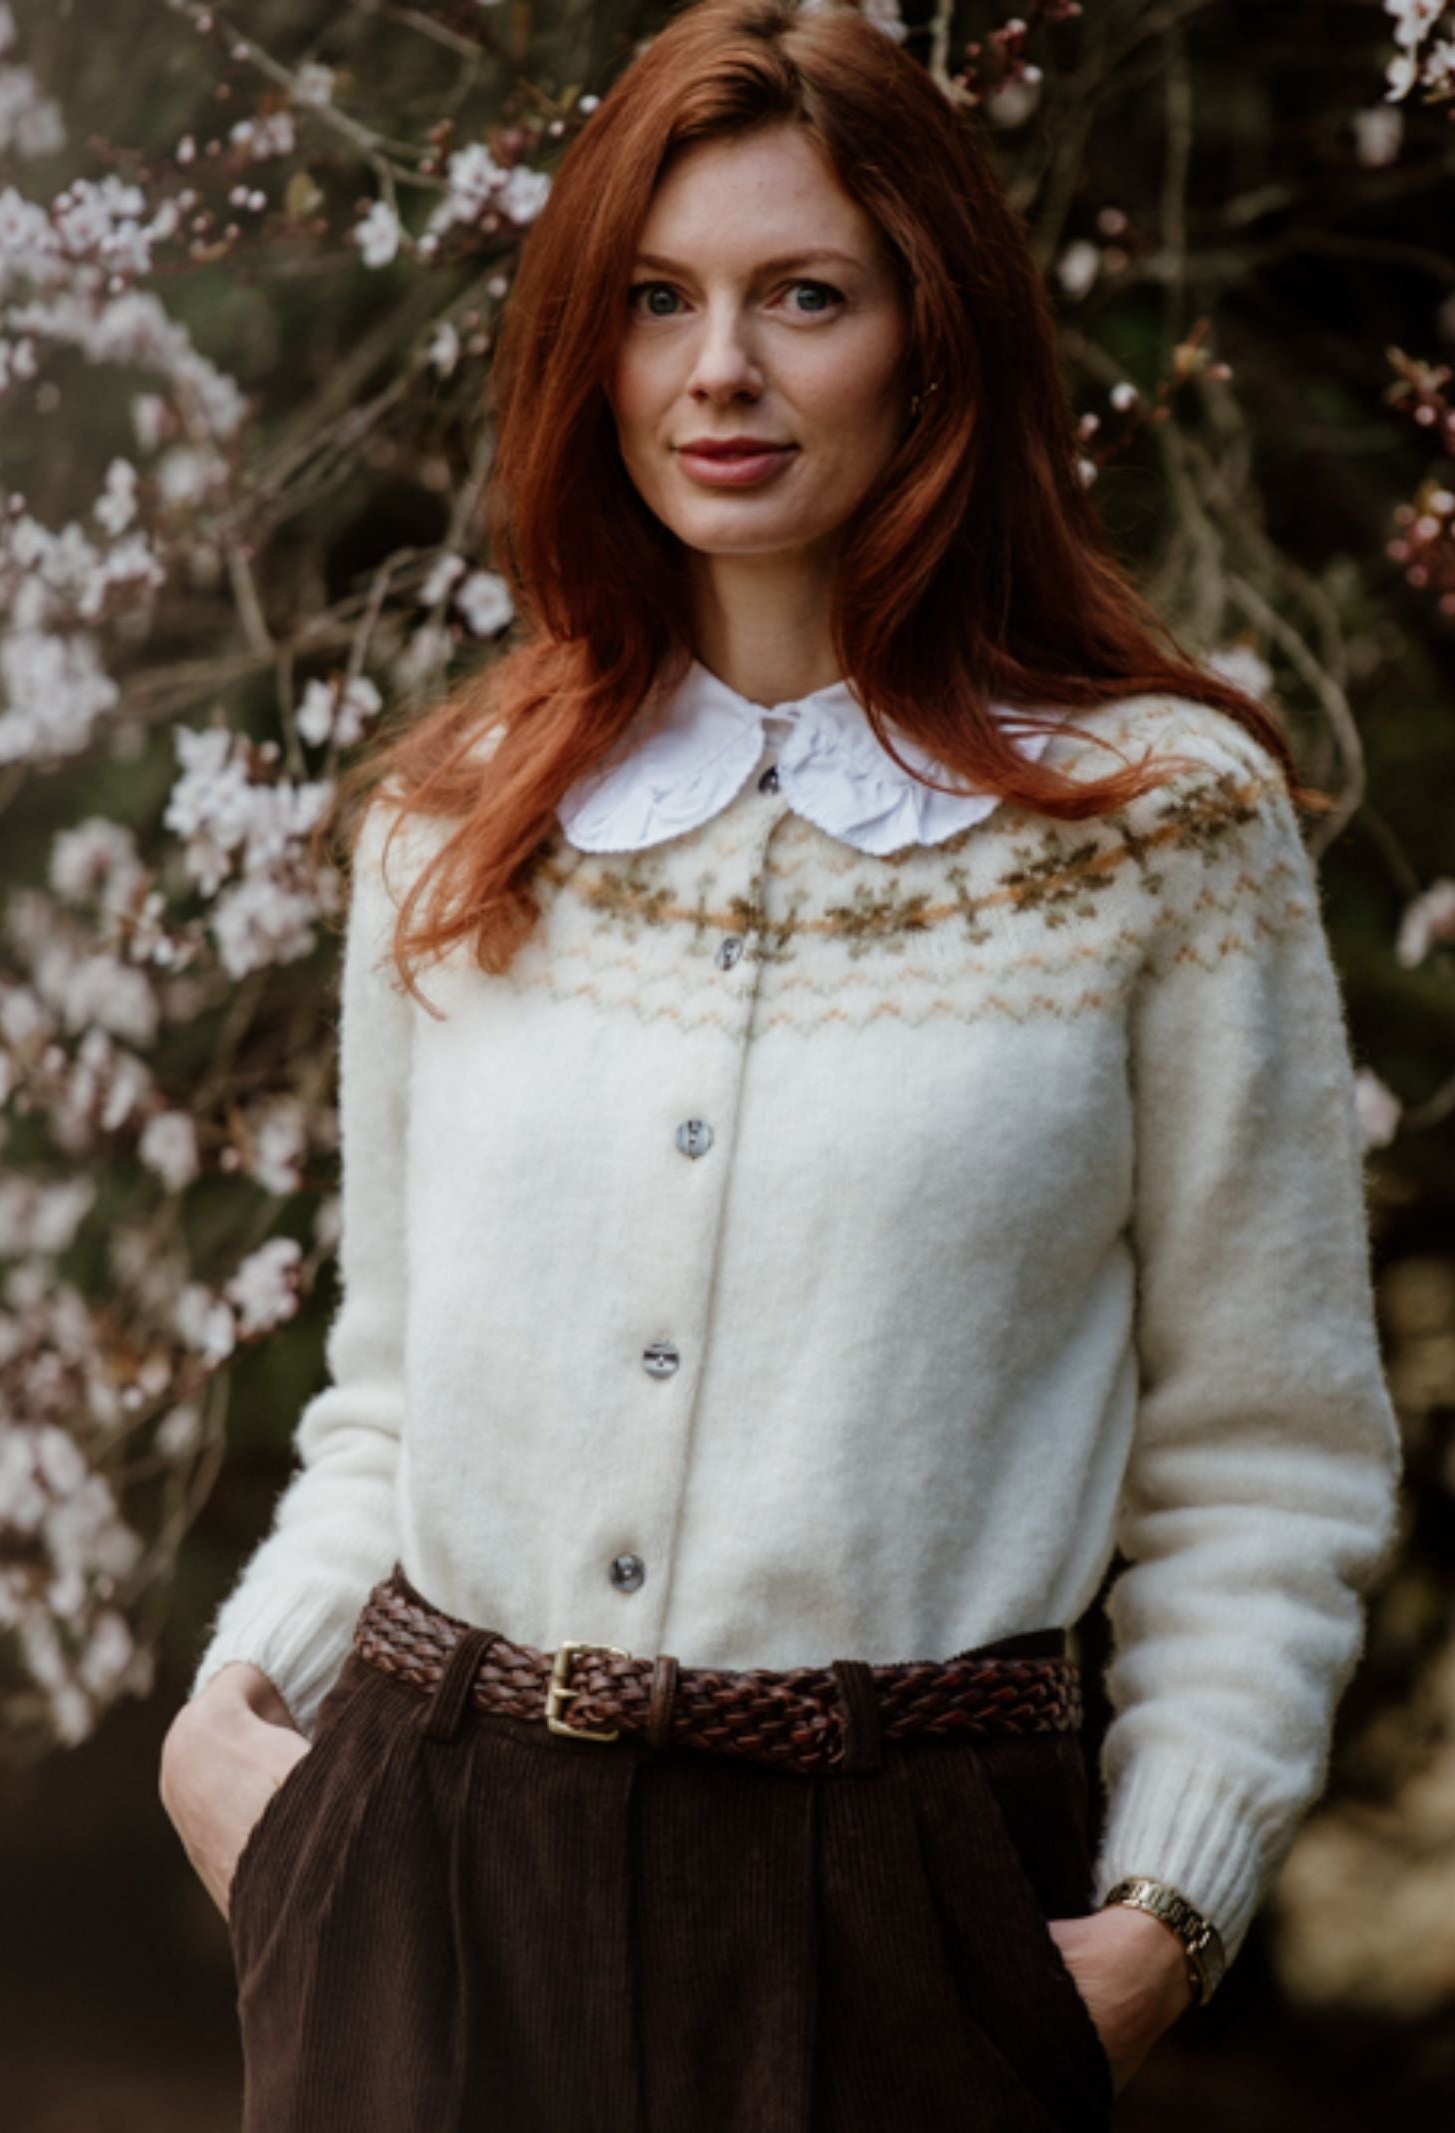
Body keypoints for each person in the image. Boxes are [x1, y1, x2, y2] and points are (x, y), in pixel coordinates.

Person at [158, 4, 1403, 2128]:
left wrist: (1154, 1917)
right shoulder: (455, 820)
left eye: (796, 295)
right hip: (425, 1874)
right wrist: (232, 1735)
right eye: (655, 301)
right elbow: (389, 1386)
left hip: (902, 1913)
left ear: (929, 336)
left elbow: (1264, 1456)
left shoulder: (1159, 834)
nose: (714, 367)